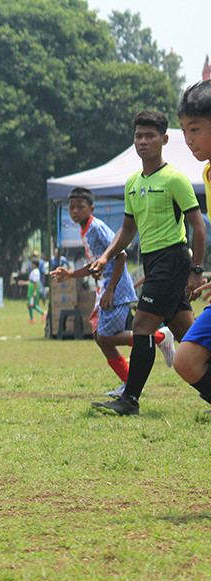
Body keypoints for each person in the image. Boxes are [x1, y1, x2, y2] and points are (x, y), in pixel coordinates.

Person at [89, 110, 206, 416]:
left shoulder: (175, 179)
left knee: (141, 325)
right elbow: (128, 230)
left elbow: (199, 226)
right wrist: (105, 256)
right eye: (138, 136)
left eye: (149, 136)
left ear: (164, 139)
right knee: (187, 333)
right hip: (153, 262)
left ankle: (130, 400)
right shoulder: (131, 184)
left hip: (173, 259)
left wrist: (196, 270)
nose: (142, 141)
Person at [51, 188, 174, 397]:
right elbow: (95, 263)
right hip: (106, 288)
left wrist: (110, 290)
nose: (75, 211)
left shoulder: (96, 227)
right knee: (100, 337)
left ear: (91, 208)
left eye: (80, 207)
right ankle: (129, 383)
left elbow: (121, 255)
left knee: (106, 337)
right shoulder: (85, 229)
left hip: (116, 289)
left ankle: (159, 336)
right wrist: (71, 274)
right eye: (71, 207)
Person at [174, 81, 211, 409]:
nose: (188, 139)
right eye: (184, 130)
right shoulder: (208, 173)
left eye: (195, 129)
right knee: (185, 360)